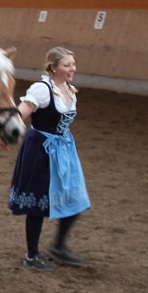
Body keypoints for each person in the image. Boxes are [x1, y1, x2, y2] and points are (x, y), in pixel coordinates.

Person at [7, 47, 91, 271]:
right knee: (38, 203)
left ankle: (59, 246)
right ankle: (32, 255)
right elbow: (21, 111)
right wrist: (6, 131)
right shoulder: (42, 89)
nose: (72, 68)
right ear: (53, 67)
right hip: (40, 150)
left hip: (64, 149)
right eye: (67, 65)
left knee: (76, 196)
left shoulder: (69, 89)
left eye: (73, 64)